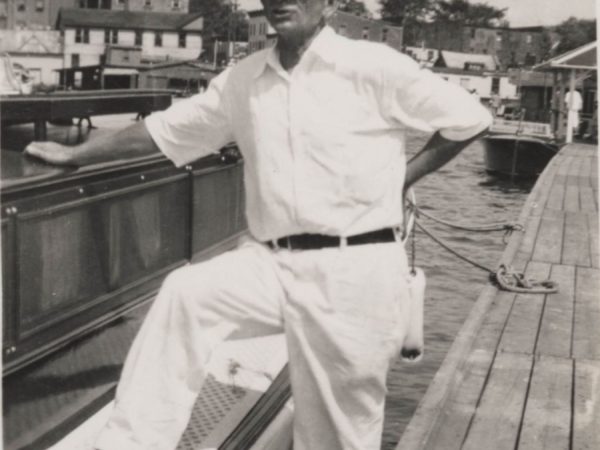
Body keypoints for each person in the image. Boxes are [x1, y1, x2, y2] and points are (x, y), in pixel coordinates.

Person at [25, 0, 491, 448]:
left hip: (356, 271)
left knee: (338, 434)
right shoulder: (243, 81)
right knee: (187, 295)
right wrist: (76, 154)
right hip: (273, 263)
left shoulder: (373, 66)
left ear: (329, 4)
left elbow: (470, 120)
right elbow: (164, 131)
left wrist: (400, 180)